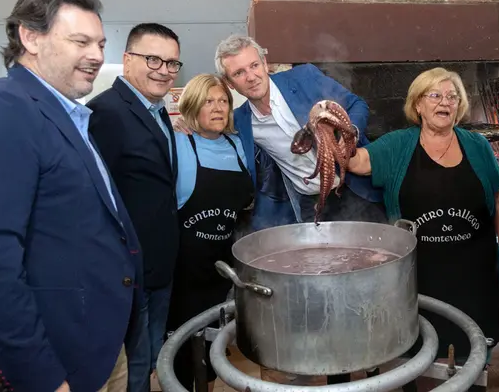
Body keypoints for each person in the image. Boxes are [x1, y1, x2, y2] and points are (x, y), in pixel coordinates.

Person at [0, 0, 142, 392]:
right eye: (81, 41)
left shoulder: (68, 113)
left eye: (101, 43)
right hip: (57, 362)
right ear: (30, 37)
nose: (97, 56)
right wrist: (40, 377)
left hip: (100, 345)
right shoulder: (3, 109)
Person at [347, 67, 499, 387]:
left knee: (472, 354)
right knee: (419, 355)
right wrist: (333, 123)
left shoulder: (477, 144)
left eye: (452, 96)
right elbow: (355, 162)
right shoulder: (397, 145)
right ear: (417, 104)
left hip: (474, 273)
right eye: (434, 95)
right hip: (420, 275)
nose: (444, 102)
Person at [185, 35, 384, 231]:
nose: (251, 77)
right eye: (239, 73)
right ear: (229, 82)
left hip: (355, 188)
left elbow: (356, 105)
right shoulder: (240, 121)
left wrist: (351, 136)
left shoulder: (304, 77)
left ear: (264, 63)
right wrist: (184, 124)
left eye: (254, 65)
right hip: (310, 205)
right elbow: (212, 129)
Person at [87, 23, 182, 391]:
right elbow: (97, 201)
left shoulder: (156, 111)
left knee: (154, 355)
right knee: (135, 365)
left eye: (172, 63)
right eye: (153, 59)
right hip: (129, 271)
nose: (163, 70)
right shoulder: (106, 112)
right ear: (127, 60)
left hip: (159, 266)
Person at [165, 74, 253, 391]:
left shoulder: (238, 145)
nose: (217, 109)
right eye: (208, 101)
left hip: (221, 271)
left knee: (211, 352)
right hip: (184, 271)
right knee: (183, 355)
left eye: (223, 101)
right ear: (191, 106)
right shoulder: (177, 143)